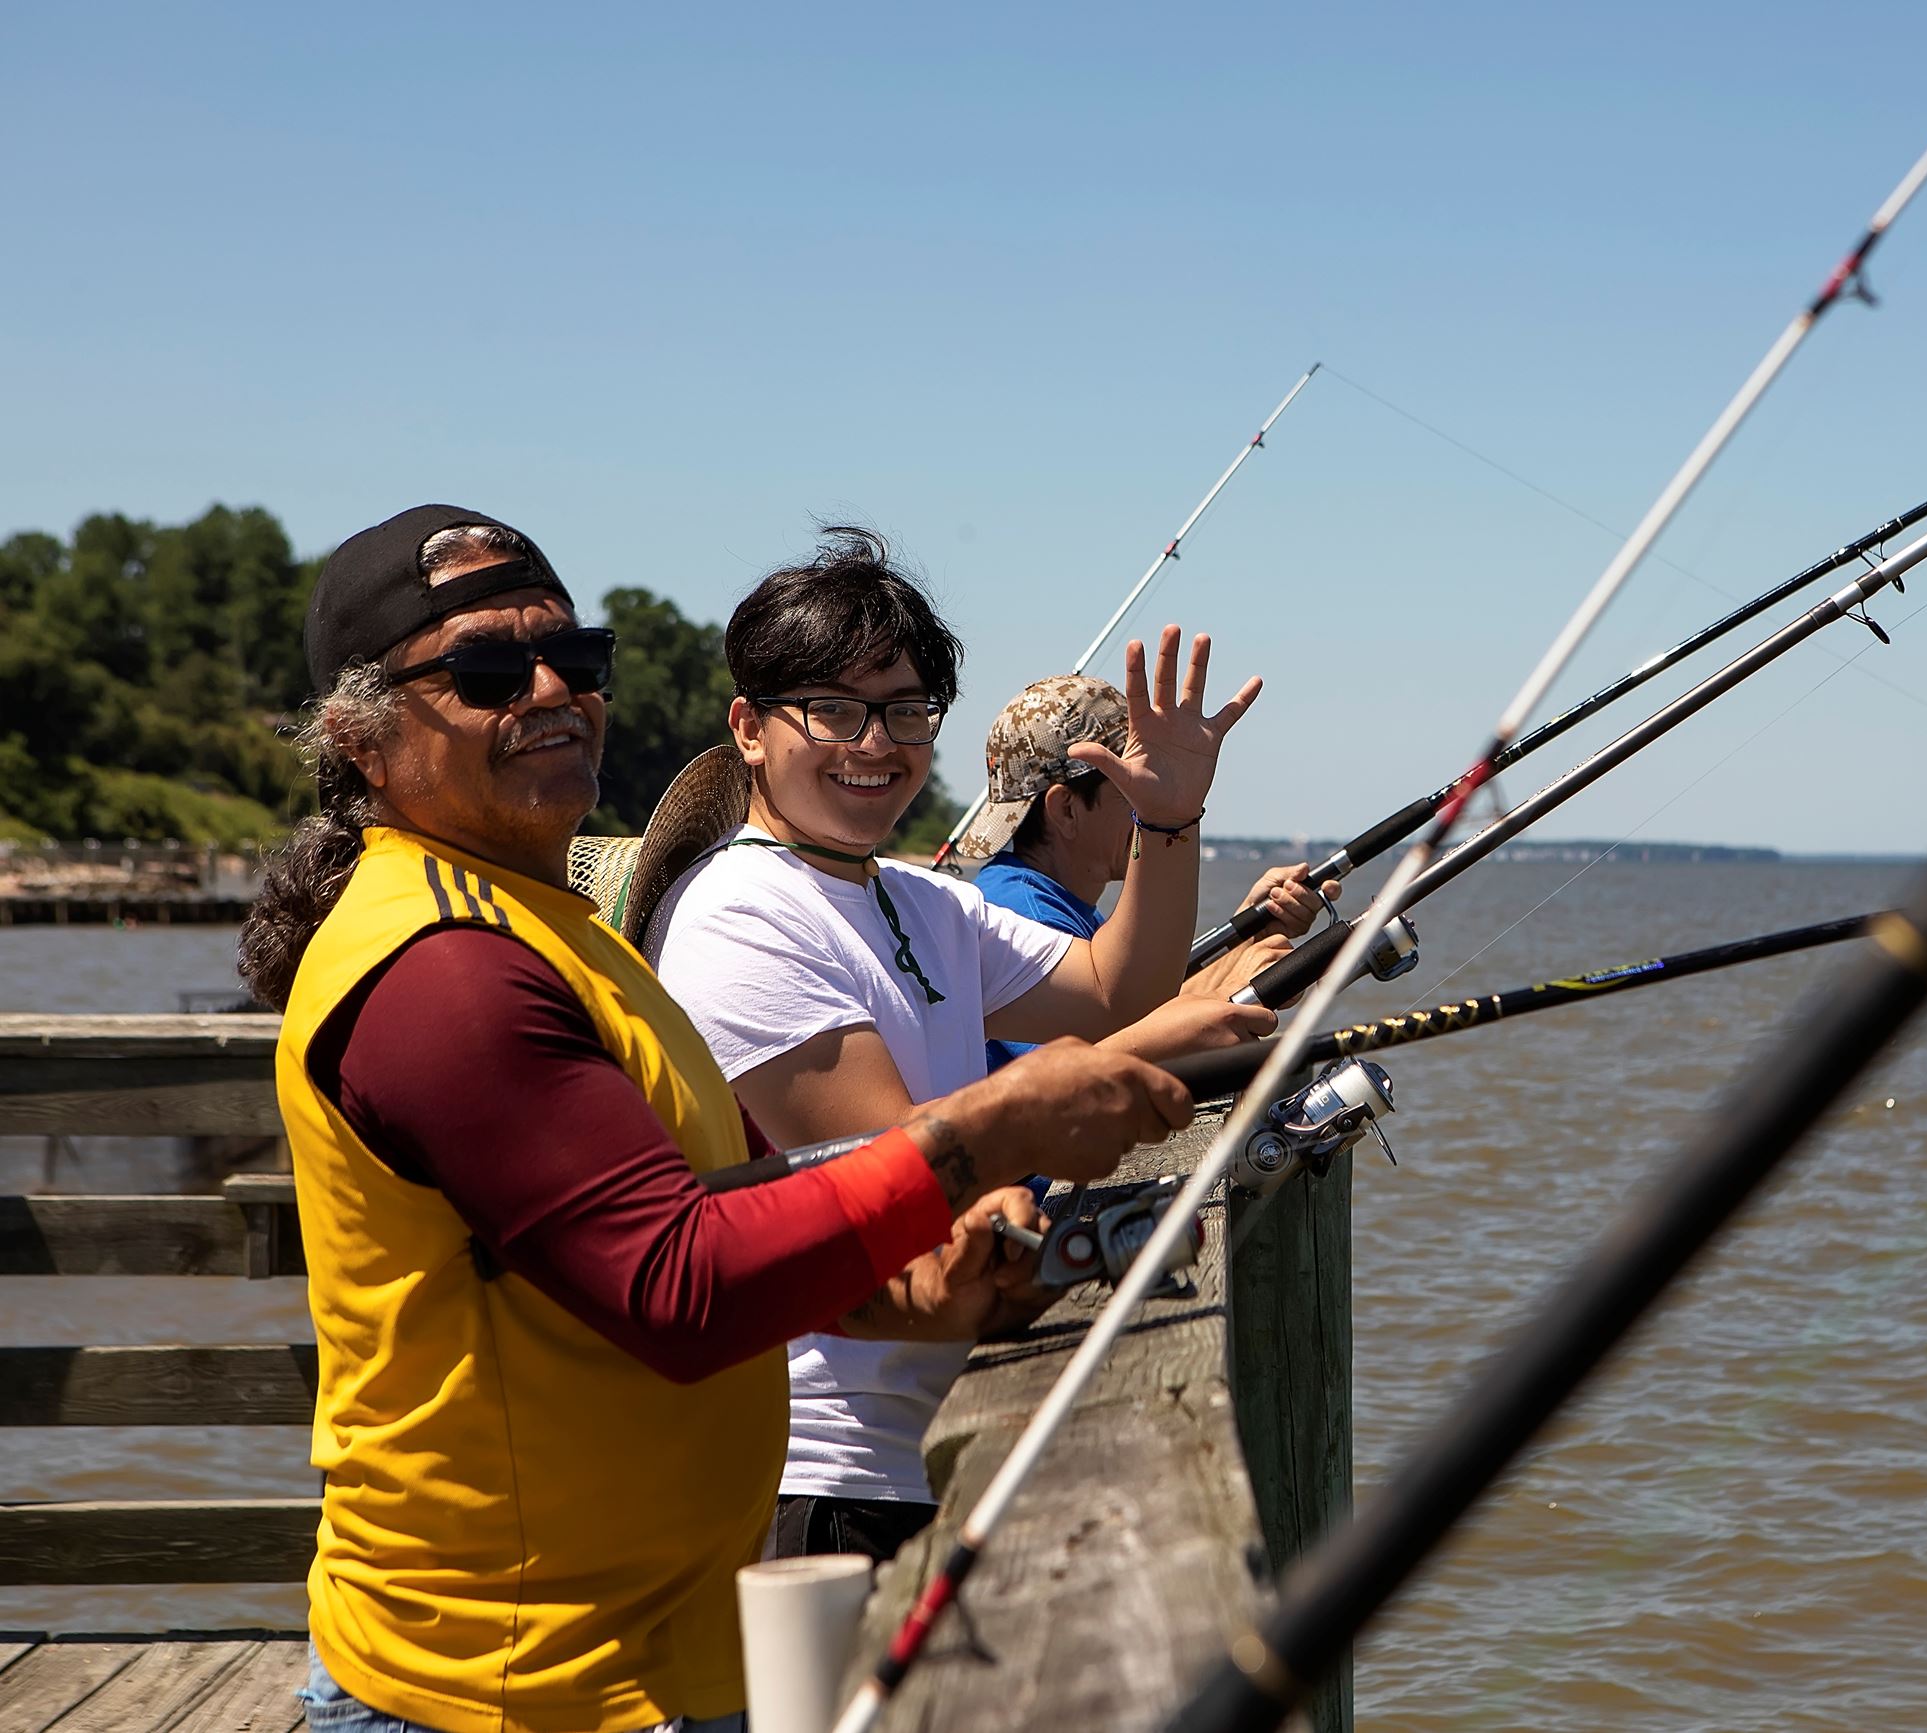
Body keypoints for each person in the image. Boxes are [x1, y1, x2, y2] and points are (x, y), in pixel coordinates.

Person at [239, 505, 1189, 1733]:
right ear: (360, 737)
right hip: (508, 1683)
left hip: (655, 1643)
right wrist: (988, 1131)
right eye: (485, 669)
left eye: (572, 656)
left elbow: (717, 1207)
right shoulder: (440, 968)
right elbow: (676, 1284)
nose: (549, 690)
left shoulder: (556, 933)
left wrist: (908, 1294)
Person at [647, 526, 1273, 1563]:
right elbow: (899, 1171)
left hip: (933, 1424)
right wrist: (1098, 1081)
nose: (875, 743)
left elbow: (1115, 987)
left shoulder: (919, 899)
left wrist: (1168, 822)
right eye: (833, 710)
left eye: (906, 710)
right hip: (819, 1467)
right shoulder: (740, 911)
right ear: (750, 728)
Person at [952, 673, 1335, 1072]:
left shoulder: (1050, 898)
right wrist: (1229, 992)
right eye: (1136, 787)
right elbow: (1078, 1071)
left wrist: (1244, 937)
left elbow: (1133, 1016)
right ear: (1066, 810)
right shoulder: (1022, 914)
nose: (1152, 804)